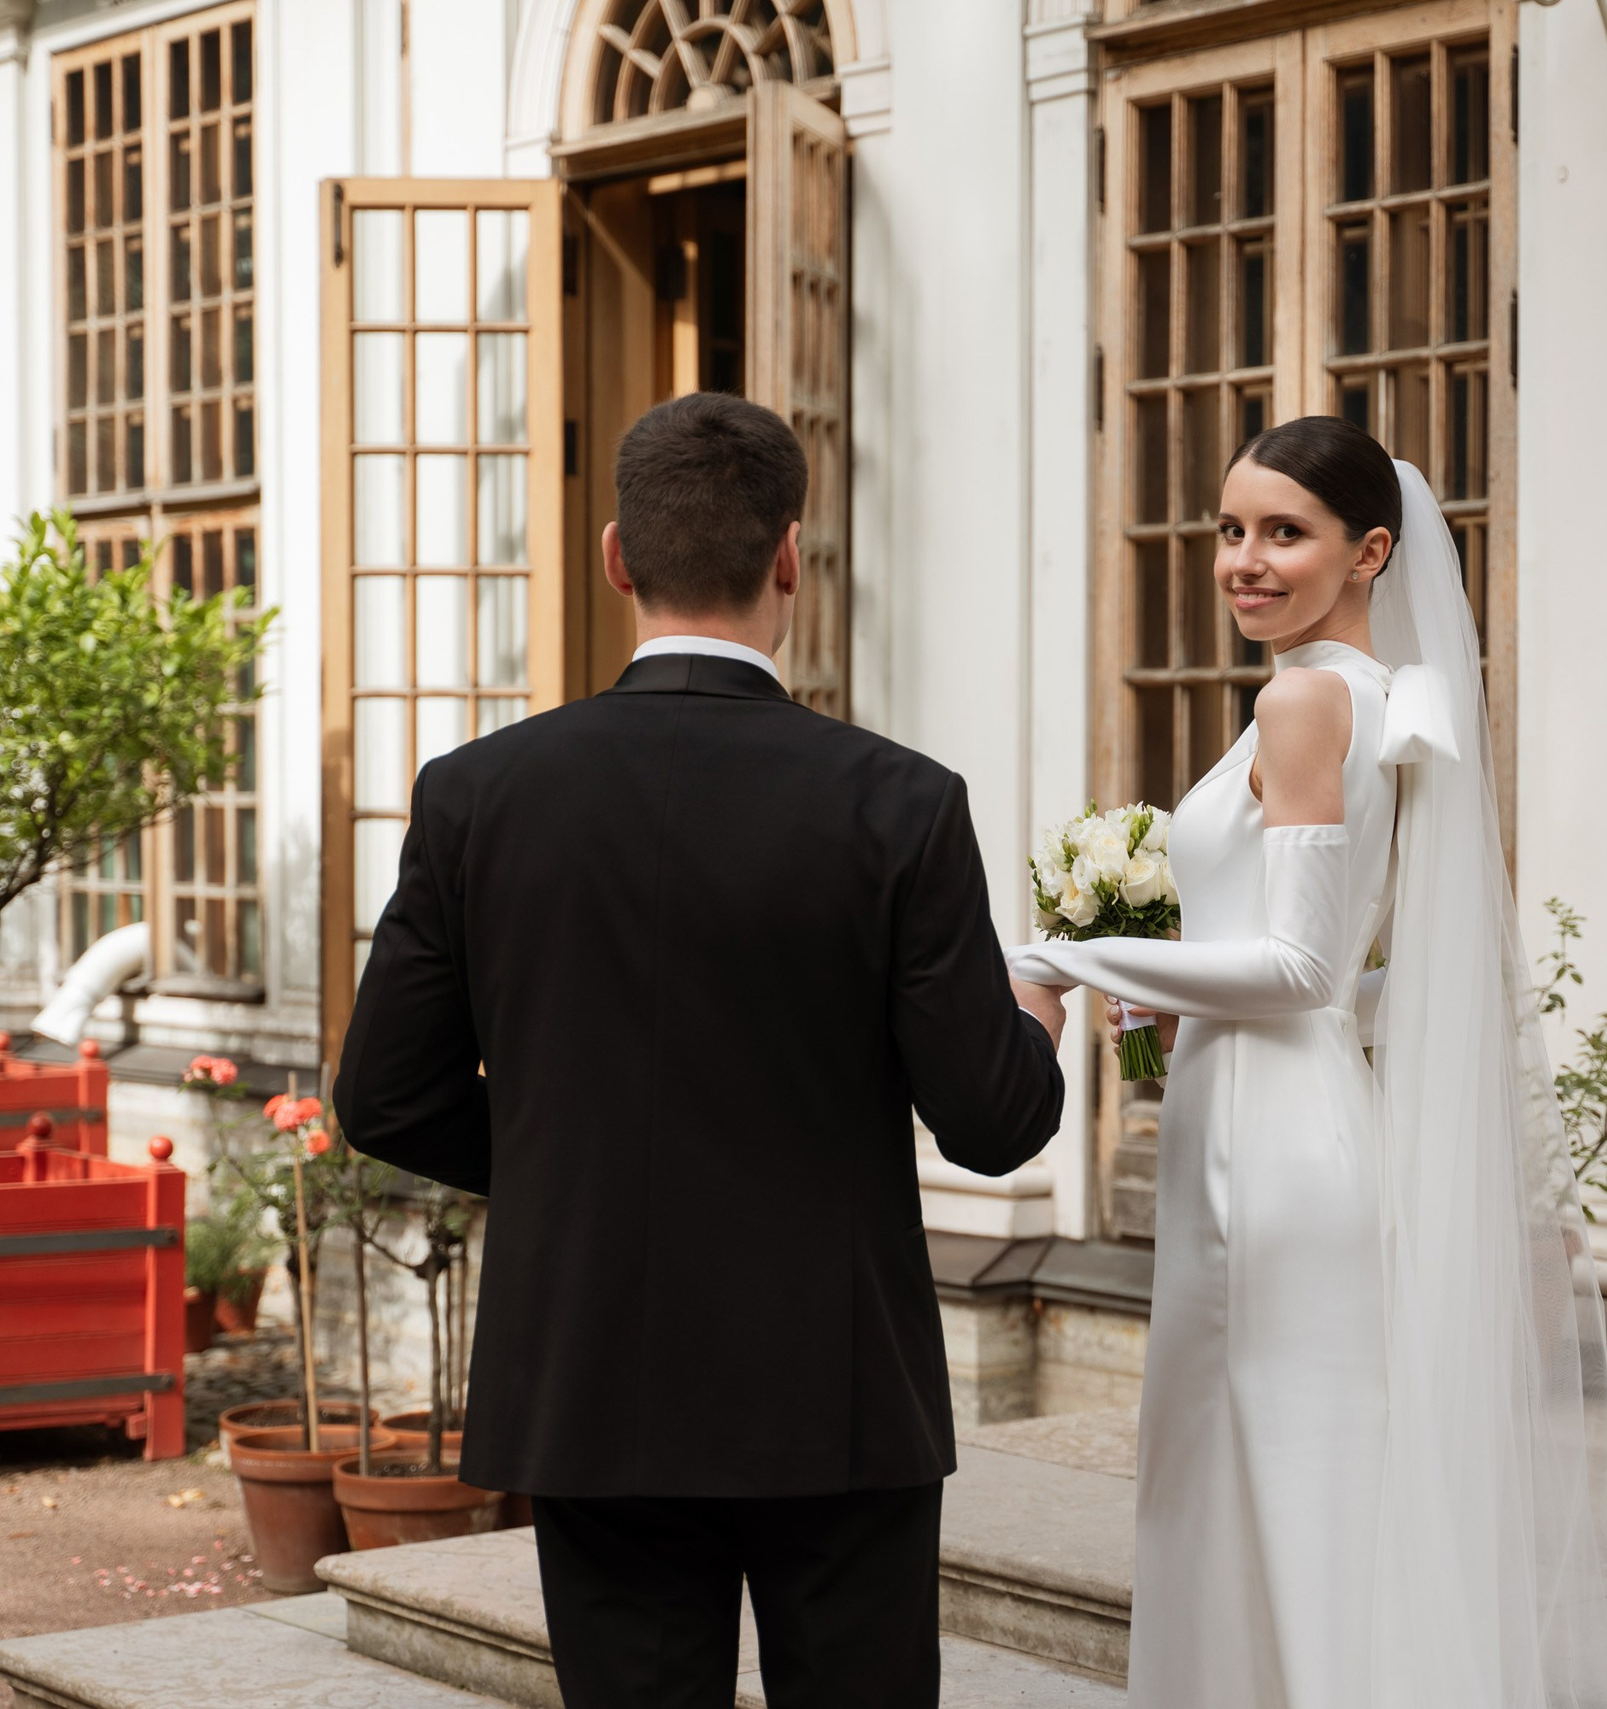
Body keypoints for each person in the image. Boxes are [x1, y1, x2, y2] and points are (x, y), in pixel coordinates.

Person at [335, 391, 1070, 1709]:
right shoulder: (899, 800)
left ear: (617, 556)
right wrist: (1036, 1015)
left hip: (591, 1364)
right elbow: (993, 1121)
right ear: (790, 555)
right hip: (836, 1382)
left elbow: (384, 1095)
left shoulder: (476, 794)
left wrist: (569, 1166)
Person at [1006, 418, 1607, 1708]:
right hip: (1288, 1123)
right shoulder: (1376, 698)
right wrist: (1171, 983)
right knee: (1283, 1481)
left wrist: (1067, 956)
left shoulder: (1302, 702)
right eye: (1231, 529)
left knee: (1279, 1486)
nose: (1245, 560)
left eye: (1285, 533)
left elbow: (1295, 971)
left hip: (1271, 1158)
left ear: (1371, 552)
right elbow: (1352, 977)